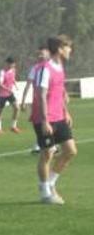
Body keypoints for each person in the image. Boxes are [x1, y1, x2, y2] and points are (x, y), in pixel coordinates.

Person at [30, 35, 77, 205]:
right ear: (59, 48)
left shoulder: (60, 66)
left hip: (60, 116)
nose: (70, 50)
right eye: (68, 47)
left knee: (71, 151)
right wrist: (44, 121)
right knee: (47, 153)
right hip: (44, 118)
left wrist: (67, 111)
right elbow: (41, 95)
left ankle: (51, 183)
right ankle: (45, 192)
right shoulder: (45, 68)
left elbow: (57, 93)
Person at [21, 46, 50, 153]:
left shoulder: (51, 67)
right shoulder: (36, 68)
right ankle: (40, 144)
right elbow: (28, 85)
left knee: (50, 121)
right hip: (39, 101)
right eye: (38, 54)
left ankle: (46, 144)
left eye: (42, 53)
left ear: (48, 54)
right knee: (40, 122)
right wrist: (23, 101)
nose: (40, 56)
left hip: (49, 100)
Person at [0, 57, 21, 134]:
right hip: (2, 95)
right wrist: (8, 89)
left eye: (13, 64)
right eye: (11, 64)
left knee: (17, 108)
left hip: (10, 94)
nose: (12, 66)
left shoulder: (13, 70)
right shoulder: (2, 72)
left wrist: (15, 84)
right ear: (6, 63)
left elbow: (12, 78)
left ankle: (13, 127)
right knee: (0, 112)